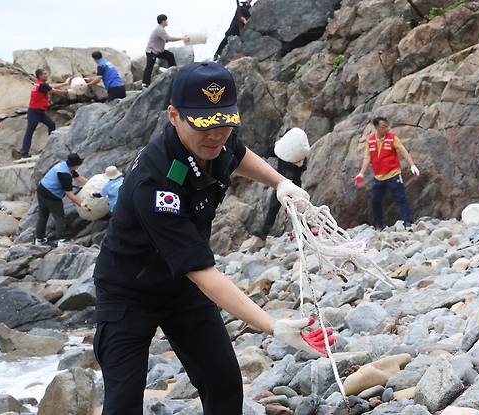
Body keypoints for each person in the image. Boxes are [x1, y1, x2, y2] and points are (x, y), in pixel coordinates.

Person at [92, 62, 334, 415]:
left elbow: (236, 153)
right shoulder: (155, 181)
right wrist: (271, 325)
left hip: (181, 291)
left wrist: (281, 183)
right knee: (124, 402)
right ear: (173, 116)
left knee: (223, 383)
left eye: (223, 123)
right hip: (129, 292)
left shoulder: (216, 139)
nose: (215, 135)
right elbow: (202, 272)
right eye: (203, 126)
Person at [354, 116, 419, 229]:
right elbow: (367, 158)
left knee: (401, 198)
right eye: (383, 127)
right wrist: (361, 173)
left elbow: (403, 150)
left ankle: (407, 223)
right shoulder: (370, 140)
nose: (386, 129)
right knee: (375, 201)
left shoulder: (392, 138)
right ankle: (379, 225)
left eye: (386, 126)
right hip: (378, 177)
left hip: (393, 174)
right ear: (376, 127)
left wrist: (412, 165)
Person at [253, 128, 309, 239]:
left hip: (284, 183)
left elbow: (268, 152)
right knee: (294, 210)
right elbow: (303, 167)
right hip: (289, 184)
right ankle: (302, 234)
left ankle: (303, 234)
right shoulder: (296, 152)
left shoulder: (284, 149)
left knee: (284, 209)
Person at [35, 153, 89, 245]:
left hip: (41, 188)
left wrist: (92, 183)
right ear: (75, 165)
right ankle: (61, 240)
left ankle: (39, 240)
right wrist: (83, 205)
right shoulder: (65, 175)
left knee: (43, 216)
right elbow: (70, 194)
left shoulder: (65, 165)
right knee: (59, 217)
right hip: (51, 194)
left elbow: (78, 177)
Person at [20, 69, 69, 159]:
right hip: (34, 111)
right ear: (40, 76)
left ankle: (51, 146)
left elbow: (51, 86)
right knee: (30, 131)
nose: (46, 75)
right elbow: (54, 90)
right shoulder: (41, 85)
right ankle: (24, 152)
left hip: (40, 111)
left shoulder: (40, 84)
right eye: (44, 74)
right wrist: (68, 92)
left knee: (51, 124)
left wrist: (65, 83)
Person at [142, 14, 189, 88]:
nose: (167, 22)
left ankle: (174, 73)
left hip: (158, 51)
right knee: (149, 67)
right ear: (163, 21)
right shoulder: (159, 29)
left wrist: (166, 40)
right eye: (166, 20)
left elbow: (166, 39)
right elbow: (169, 38)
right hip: (151, 51)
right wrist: (182, 38)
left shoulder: (161, 29)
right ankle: (145, 84)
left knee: (170, 55)